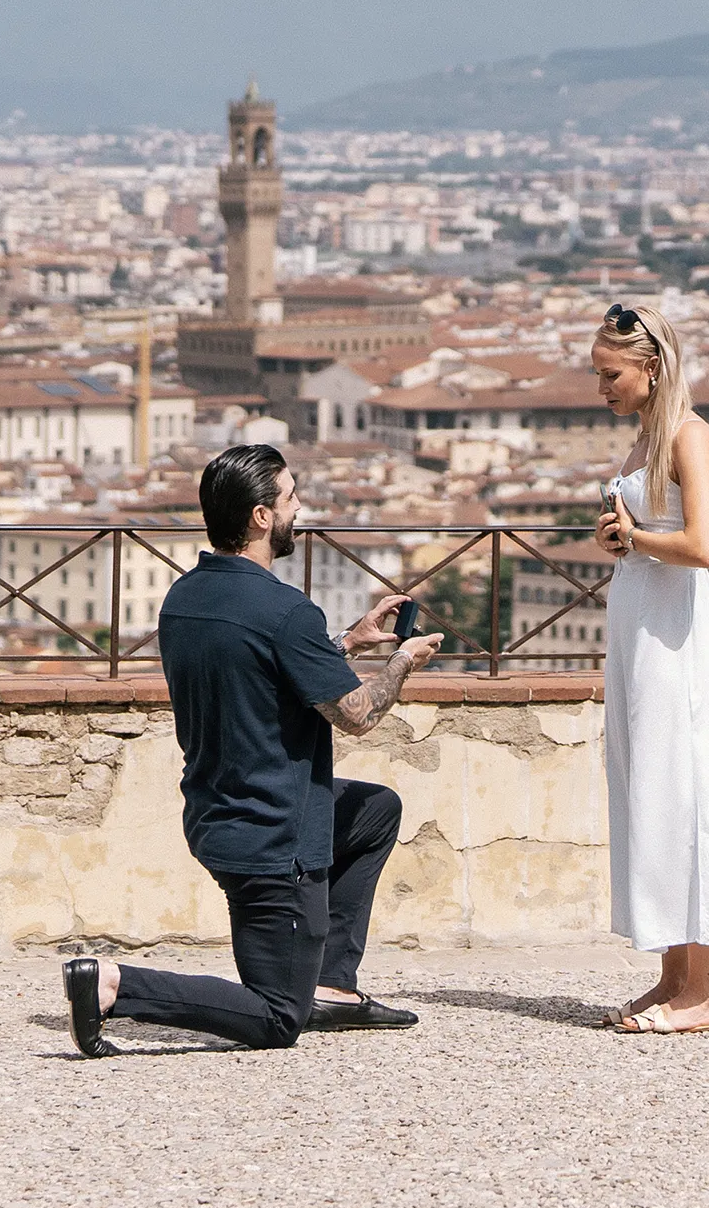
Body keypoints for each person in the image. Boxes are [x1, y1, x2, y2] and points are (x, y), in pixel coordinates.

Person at [60, 443, 441, 1057]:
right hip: (275, 837)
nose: (300, 508)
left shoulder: (184, 600)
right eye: (290, 497)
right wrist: (401, 660)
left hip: (216, 815)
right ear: (262, 516)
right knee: (276, 1017)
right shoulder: (287, 611)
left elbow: (264, 672)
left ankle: (332, 986)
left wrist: (348, 640)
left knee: (374, 810)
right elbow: (359, 716)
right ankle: (111, 985)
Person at [591, 302, 709, 1033]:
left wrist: (638, 536)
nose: (602, 388)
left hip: (676, 635)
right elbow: (653, 534)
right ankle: (673, 976)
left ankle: (703, 993)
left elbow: (706, 545)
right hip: (642, 632)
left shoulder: (690, 435)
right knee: (652, 789)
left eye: (609, 374)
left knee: (688, 792)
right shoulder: (646, 439)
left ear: (651, 366)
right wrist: (627, 539)